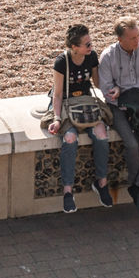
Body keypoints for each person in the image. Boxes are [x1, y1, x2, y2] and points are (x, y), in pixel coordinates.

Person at [99, 17, 139, 213]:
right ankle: (135, 186)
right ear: (120, 39)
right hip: (118, 108)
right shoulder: (108, 56)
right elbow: (106, 90)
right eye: (132, 38)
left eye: (138, 36)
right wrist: (120, 98)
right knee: (133, 144)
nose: (137, 41)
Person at [47, 25, 113, 214]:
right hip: (66, 104)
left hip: (86, 104)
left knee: (101, 134)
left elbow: (98, 83)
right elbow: (57, 95)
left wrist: (114, 89)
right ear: (74, 47)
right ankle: (68, 191)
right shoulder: (62, 62)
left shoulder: (91, 57)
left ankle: (101, 182)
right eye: (87, 44)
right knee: (69, 138)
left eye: (90, 43)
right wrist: (57, 118)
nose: (91, 47)